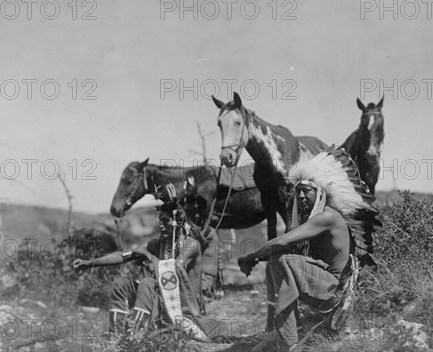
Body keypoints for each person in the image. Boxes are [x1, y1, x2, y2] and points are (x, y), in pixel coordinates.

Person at [237, 147, 380, 351]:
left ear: (321, 191)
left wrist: (251, 256)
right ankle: (273, 332)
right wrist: (259, 258)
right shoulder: (314, 217)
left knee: (281, 258)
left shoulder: (327, 216)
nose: (301, 196)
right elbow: (283, 245)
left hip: (334, 292)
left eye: (307, 190)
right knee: (275, 260)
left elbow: (283, 241)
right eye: (298, 191)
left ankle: (288, 340)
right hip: (322, 284)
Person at [73, 184, 204, 336]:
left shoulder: (191, 245)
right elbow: (124, 255)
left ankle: (135, 336)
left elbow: (171, 272)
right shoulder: (156, 244)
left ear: (178, 223)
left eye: (165, 221)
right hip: (161, 295)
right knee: (120, 284)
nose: (161, 226)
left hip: (182, 305)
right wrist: (90, 262)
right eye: (159, 220)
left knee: (147, 283)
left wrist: (148, 256)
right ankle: (116, 336)